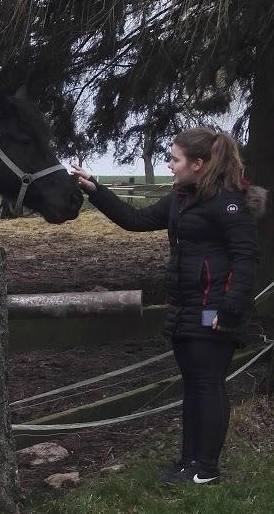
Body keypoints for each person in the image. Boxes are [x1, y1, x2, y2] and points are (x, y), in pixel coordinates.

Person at [71, 129, 265, 486]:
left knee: (208, 385)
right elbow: (136, 220)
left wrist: (232, 310)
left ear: (198, 163)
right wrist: (94, 189)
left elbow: (246, 259)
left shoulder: (228, 203)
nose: (169, 165)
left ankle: (206, 469)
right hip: (186, 309)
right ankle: (188, 462)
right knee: (193, 386)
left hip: (215, 310)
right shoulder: (180, 199)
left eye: (174, 159)